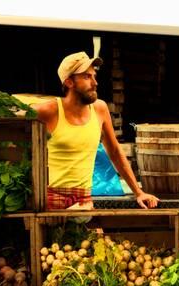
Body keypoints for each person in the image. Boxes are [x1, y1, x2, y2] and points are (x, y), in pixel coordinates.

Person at [32, 51, 159, 210]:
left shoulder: (100, 109)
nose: (95, 82)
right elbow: (14, 131)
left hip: (84, 200)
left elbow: (114, 151)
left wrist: (138, 192)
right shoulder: (48, 111)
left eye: (94, 76)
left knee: (95, 236)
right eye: (87, 77)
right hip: (51, 199)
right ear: (69, 82)